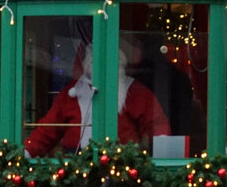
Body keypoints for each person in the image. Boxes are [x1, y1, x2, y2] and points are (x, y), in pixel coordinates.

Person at [25, 43, 171, 157]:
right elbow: (48, 129)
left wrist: (164, 153)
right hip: (75, 164)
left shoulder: (136, 91)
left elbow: (157, 123)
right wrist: (27, 154)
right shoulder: (71, 93)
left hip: (122, 164)